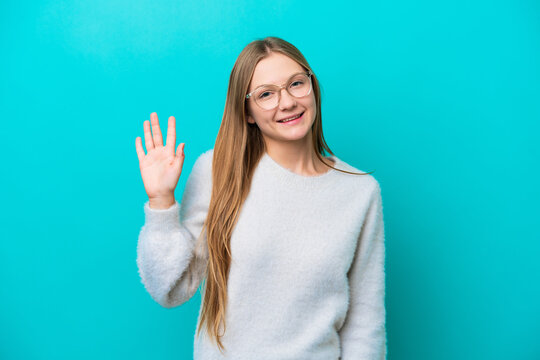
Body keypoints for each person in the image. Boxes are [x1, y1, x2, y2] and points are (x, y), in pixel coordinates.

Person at [135, 36, 387, 360]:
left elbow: (365, 324)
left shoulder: (360, 193)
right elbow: (170, 288)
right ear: (249, 111)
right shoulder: (217, 171)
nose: (287, 103)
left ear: (312, 86)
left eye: (296, 84)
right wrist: (161, 203)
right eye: (266, 94)